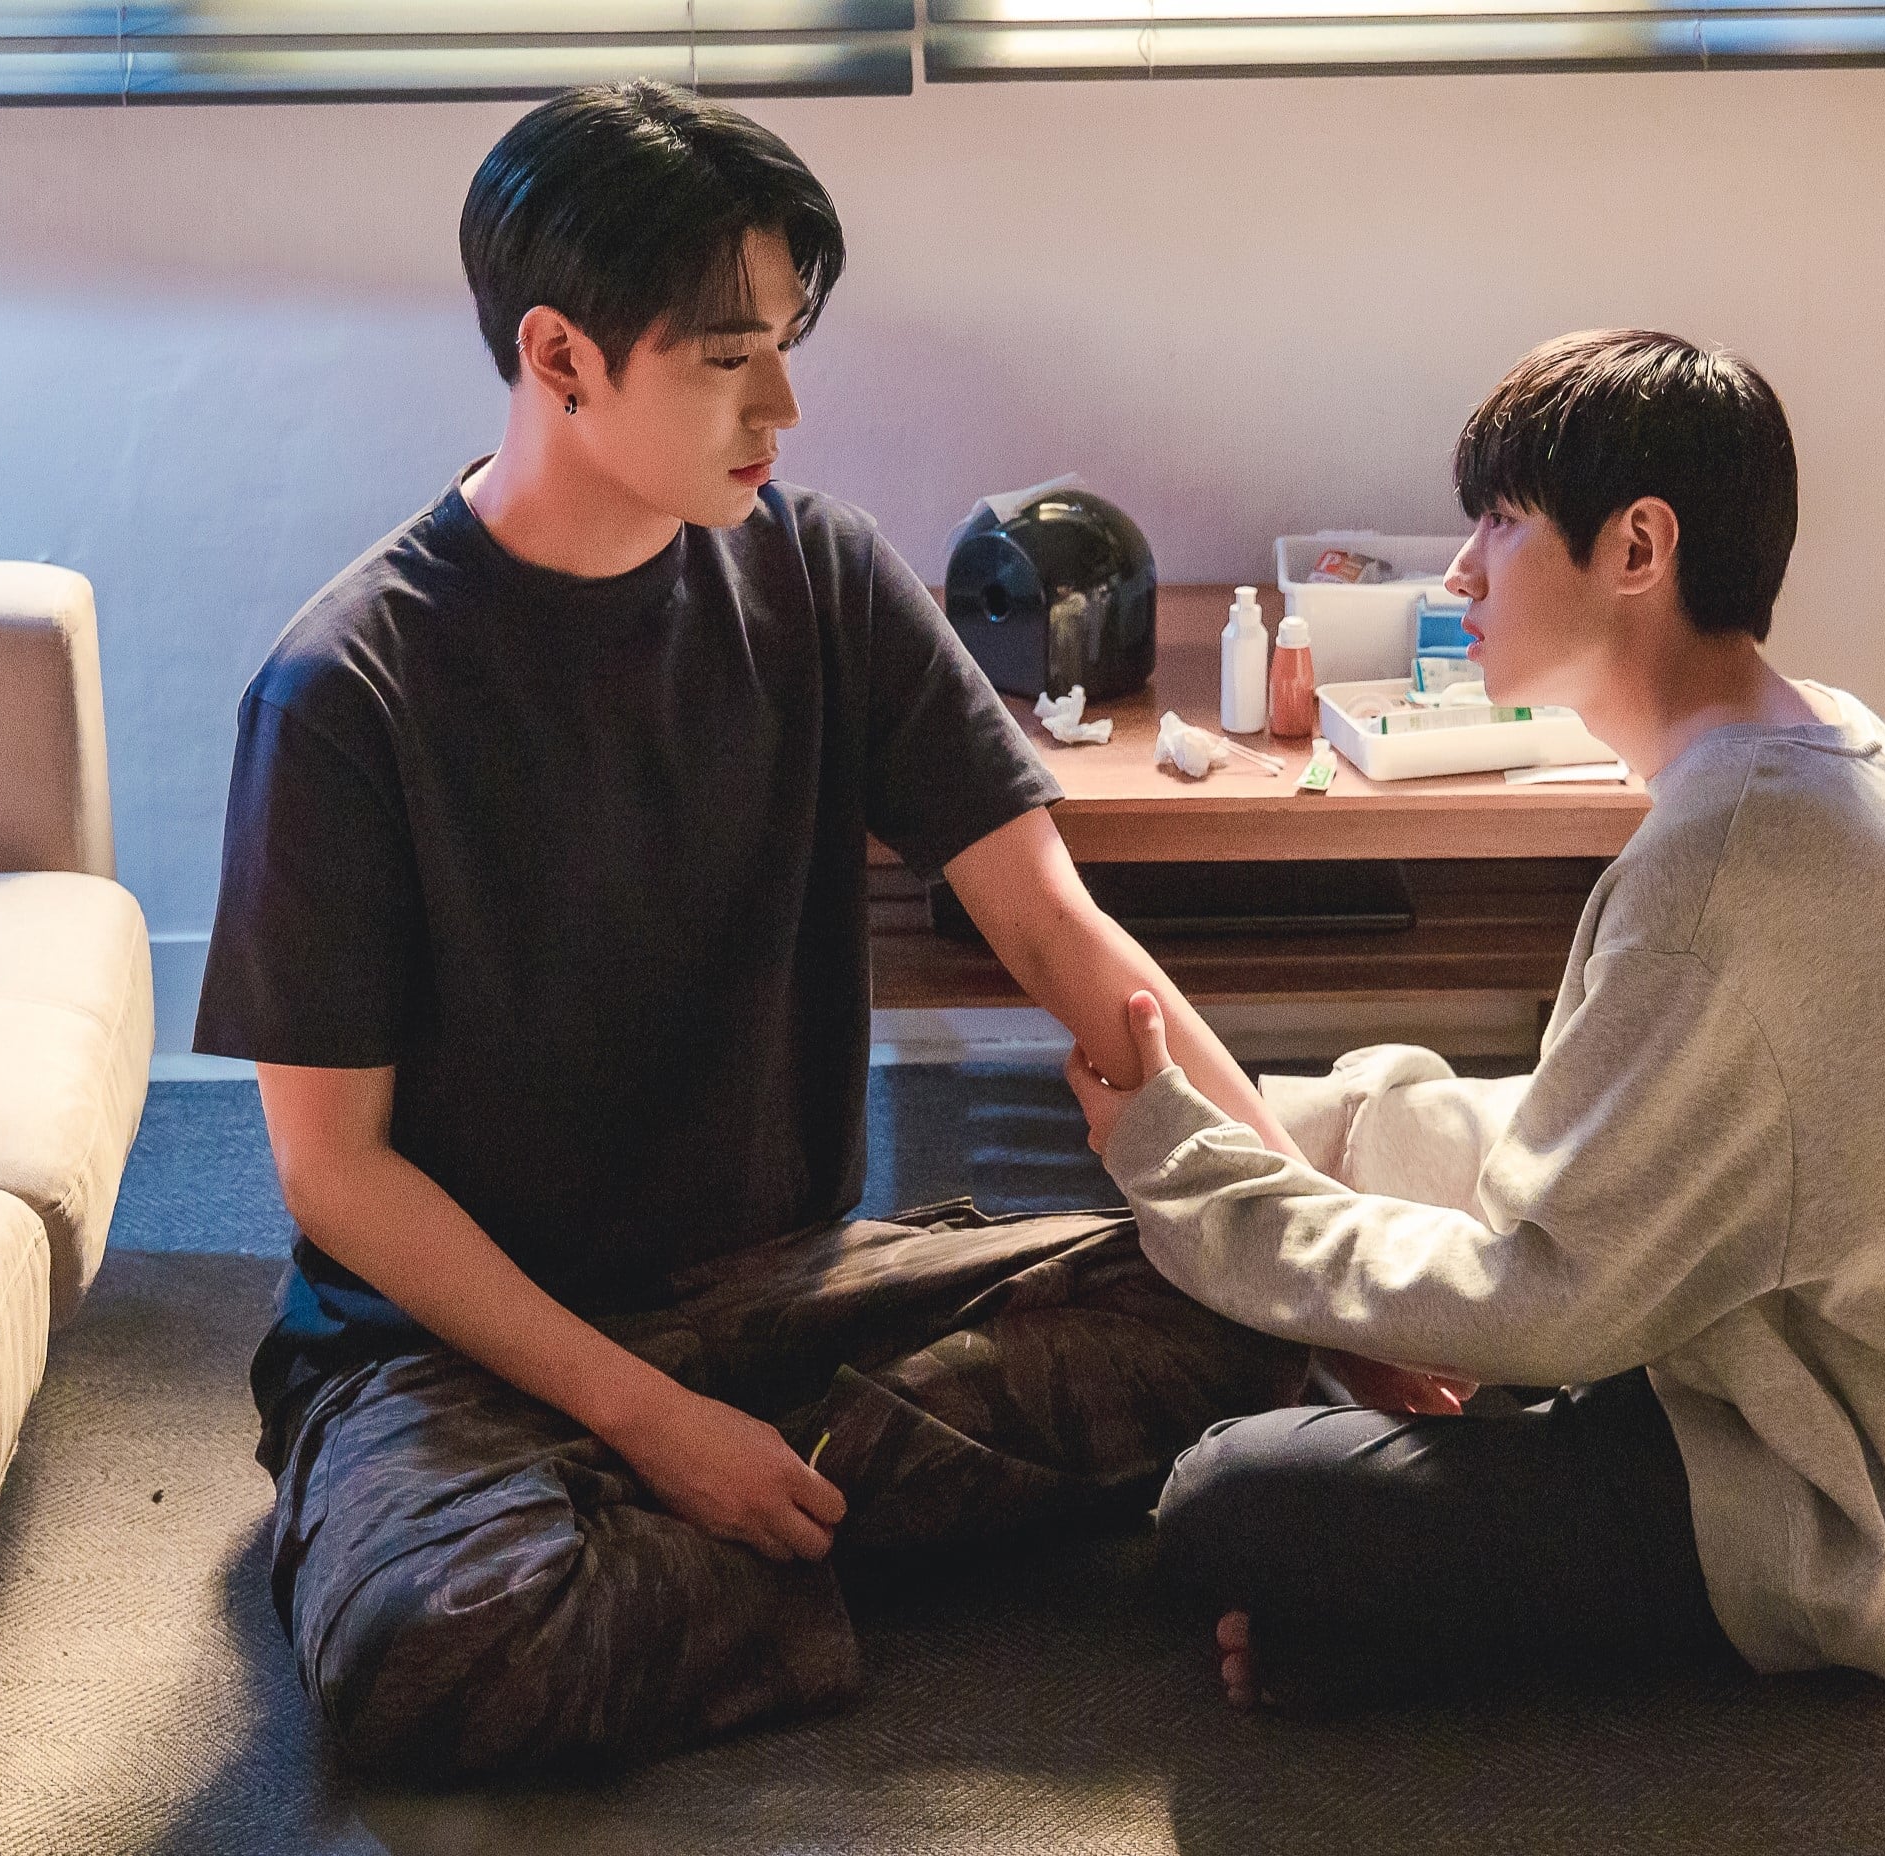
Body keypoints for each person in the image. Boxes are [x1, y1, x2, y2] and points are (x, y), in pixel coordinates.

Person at [194, 81, 1304, 1779]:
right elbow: (334, 1174)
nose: (782, 405)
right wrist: (652, 1423)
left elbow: (1062, 937)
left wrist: (1322, 1265)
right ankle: (770, 1514)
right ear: (560, 356)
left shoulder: (824, 578)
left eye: (785, 346)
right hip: (461, 1350)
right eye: (728, 358)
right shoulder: (346, 692)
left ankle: (723, 1528)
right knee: (438, 1647)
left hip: (790, 1299)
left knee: (1238, 1307)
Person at [1065, 329, 1885, 1711]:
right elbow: (1599, 1128)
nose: (1461, 571)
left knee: (1226, 1497)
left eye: (1503, 521)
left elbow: (1545, 1300)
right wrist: (1288, 1139)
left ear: (1638, 547)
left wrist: (1197, 1181)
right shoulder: (1810, 740)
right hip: (1772, 1355)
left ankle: (1422, 1647)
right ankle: (1410, 1614)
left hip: (1837, 1502)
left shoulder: (1733, 862)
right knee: (1307, 1173)